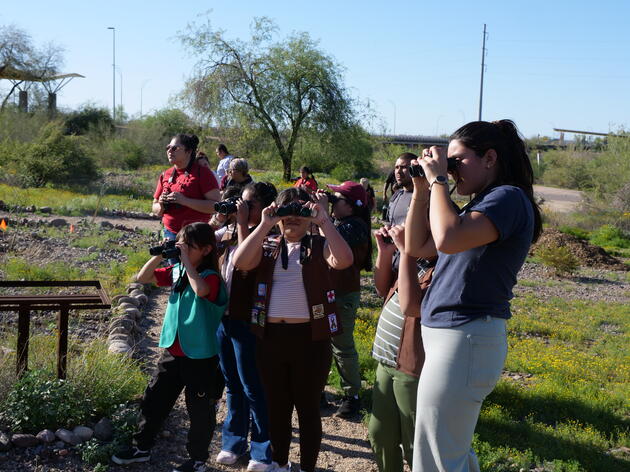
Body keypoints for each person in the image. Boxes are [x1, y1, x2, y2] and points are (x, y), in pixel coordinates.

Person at [404, 120, 542, 472]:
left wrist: (439, 181)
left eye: (457, 160)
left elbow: (449, 238)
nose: (450, 168)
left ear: (490, 158)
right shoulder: (478, 204)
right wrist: (422, 188)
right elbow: (417, 245)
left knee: (437, 458)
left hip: (466, 337)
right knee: (447, 453)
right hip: (453, 338)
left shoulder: (507, 198)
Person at [232, 188, 353, 472]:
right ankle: (279, 463)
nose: (293, 220)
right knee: (277, 409)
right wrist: (265, 223)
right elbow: (240, 262)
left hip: (310, 340)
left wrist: (323, 221)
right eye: (287, 213)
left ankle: (307, 467)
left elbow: (344, 260)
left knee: (308, 409)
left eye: (299, 213)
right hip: (271, 339)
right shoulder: (269, 243)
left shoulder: (318, 244)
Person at [112, 222, 228, 472]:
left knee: (199, 411)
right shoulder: (178, 270)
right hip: (172, 351)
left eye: (189, 246)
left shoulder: (210, 277)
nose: (182, 249)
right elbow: (143, 278)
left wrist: (185, 261)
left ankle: (197, 460)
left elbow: (201, 290)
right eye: (180, 243)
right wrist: (159, 255)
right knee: (154, 400)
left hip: (201, 356)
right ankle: (141, 447)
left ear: (207, 250)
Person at [214, 182, 278, 472]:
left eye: (249, 203)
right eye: (241, 202)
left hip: (249, 320)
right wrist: (220, 220)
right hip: (224, 318)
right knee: (232, 384)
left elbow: (246, 264)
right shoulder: (228, 233)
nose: (243, 207)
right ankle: (233, 441)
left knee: (253, 386)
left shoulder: (271, 235)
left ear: (265, 207)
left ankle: (262, 450)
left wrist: (242, 225)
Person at [368, 223, 435, 472]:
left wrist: (406, 251)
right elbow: (382, 288)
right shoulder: (417, 263)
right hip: (386, 361)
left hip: (412, 369)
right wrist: (386, 253)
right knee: (379, 434)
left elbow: (413, 307)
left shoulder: (445, 266)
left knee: (414, 444)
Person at [325, 181, 372, 417]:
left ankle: (352, 396)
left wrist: (322, 215)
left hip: (343, 294)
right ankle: (319, 389)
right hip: (327, 292)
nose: (333, 203)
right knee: (321, 343)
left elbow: (330, 239)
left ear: (351, 206)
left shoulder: (355, 227)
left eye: (336, 200)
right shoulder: (341, 223)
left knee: (342, 346)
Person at [153, 134, 220, 242]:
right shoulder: (166, 174)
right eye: (168, 148)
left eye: (174, 148)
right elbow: (154, 206)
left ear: (188, 151)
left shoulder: (202, 173)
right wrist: (161, 204)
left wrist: (185, 201)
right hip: (168, 233)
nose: (170, 151)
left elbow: (215, 206)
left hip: (195, 236)